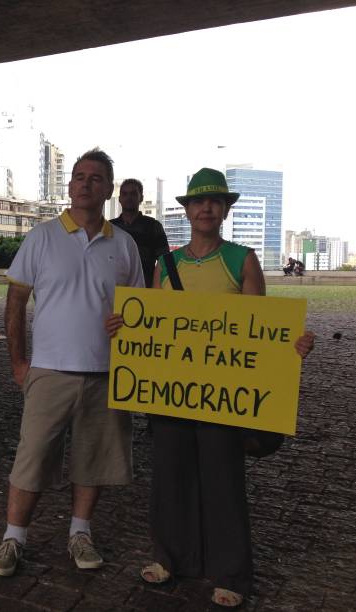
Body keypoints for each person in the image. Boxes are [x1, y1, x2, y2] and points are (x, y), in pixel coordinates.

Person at [105, 167, 315, 608]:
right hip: (172, 392)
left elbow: (261, 330)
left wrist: (292, 345)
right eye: (198, 202)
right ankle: (169, 558)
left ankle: (231, 573)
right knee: (169, 478)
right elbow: (154, 329)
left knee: (224, 482)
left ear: (224, 210)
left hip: (223, 398)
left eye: (214, 202)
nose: (206, 208)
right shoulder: (167, 265)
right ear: (187, 210)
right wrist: (127, 326)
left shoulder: (242, 259)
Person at [0, 149, 144, 578]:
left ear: (110, 189)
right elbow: (15, 301)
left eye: (96, 178)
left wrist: (126, 325)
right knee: (32, 458)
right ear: (69, 185)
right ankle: (13, 538)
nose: (85, 183)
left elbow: (141, 312)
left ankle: (79, 532)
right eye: (78, 176)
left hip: (107, 373)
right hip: (50, 370)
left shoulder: (125, 245)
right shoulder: (41, 237)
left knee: (93, 459)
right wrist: (19, 362)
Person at [110, 179, 169, 288]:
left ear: (141, 197)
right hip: (113, 292)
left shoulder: (153, 227)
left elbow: (165, 263)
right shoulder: (110, 227)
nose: (128, 197)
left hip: (144, 292)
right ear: (119, 199)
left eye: (133, 193)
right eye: (124, 194)